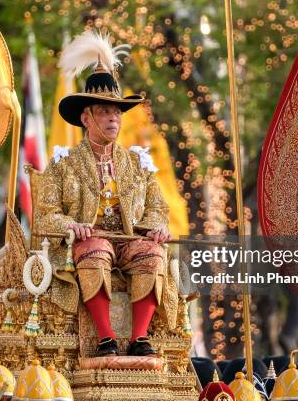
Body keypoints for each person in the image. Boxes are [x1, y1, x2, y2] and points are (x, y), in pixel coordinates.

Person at [37, 30, 176, 358]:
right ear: (86, 118)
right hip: (87, 243)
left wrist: (156, 227)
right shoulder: (64, 164)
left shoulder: (138, 163)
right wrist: (71, 225)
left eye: (116, 112)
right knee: (95, 249)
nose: (113, 117)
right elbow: (46, 213)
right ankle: (105, 339)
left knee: (152, 254)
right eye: (103, 111)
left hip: (129, 241)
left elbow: (157, 206)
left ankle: (139, 338)